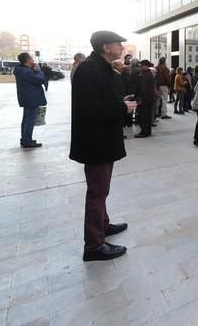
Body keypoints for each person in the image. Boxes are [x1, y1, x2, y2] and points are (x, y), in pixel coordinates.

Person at [70, 30, 137, 262]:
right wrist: (122, 108)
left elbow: (101, 100)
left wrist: (120, 102)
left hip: (102, 139)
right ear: (106, 47)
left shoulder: (100, 67)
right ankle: (94, 246)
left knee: (102, 189)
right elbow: (88, 108)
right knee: (97, 192)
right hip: (95, 141)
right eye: (119, 44)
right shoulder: (90, 68)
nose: (122, 47)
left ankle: (103, 225)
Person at [14, 52, 47, 149]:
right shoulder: (27, 72)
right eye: (31, 58)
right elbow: (41, 80)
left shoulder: (21, 70)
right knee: (30, 120)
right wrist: (39, 71)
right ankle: (27, 141)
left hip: (26, 97)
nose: (33, 60)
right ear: (27, 60)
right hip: (32, 98)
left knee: (26, 119)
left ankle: (25, 139)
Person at [134, 60, 156, 138]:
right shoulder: (150, 74)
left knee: (143, 117)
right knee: (148, 116)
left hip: (144, 100)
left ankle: (144, 132)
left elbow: (143, 89)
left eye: (141, 65)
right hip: (149, 99)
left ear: (145, 66)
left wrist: (140, 99)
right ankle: (147, 131)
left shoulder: (143, 75)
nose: (140, 67)